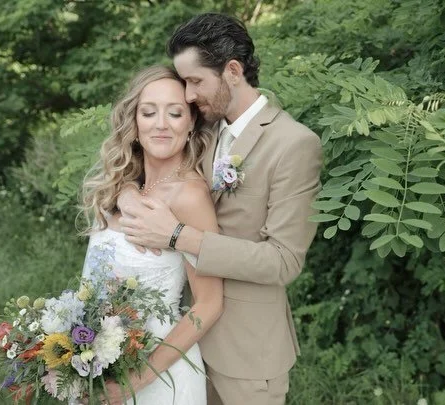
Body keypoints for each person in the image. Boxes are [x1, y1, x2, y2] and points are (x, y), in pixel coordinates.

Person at [117, 13, 323, 405]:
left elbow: (283, 261)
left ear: (232, 71)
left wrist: (178, 236)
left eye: (195, 81)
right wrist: (129, 195)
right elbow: (143, 169)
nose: (187, 95)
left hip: (247, 351)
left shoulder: (293, 144)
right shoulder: (203, 129)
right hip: (181, 340)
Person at [79, 65, 222, 405]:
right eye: (148, 112)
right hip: (97, 360)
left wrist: (134, 382)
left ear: (191, 123)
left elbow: (209, 303)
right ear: (134, 122)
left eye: (175, 113)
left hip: (159, 375)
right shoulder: (123, 185)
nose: (161, 124)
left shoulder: (190, 197)